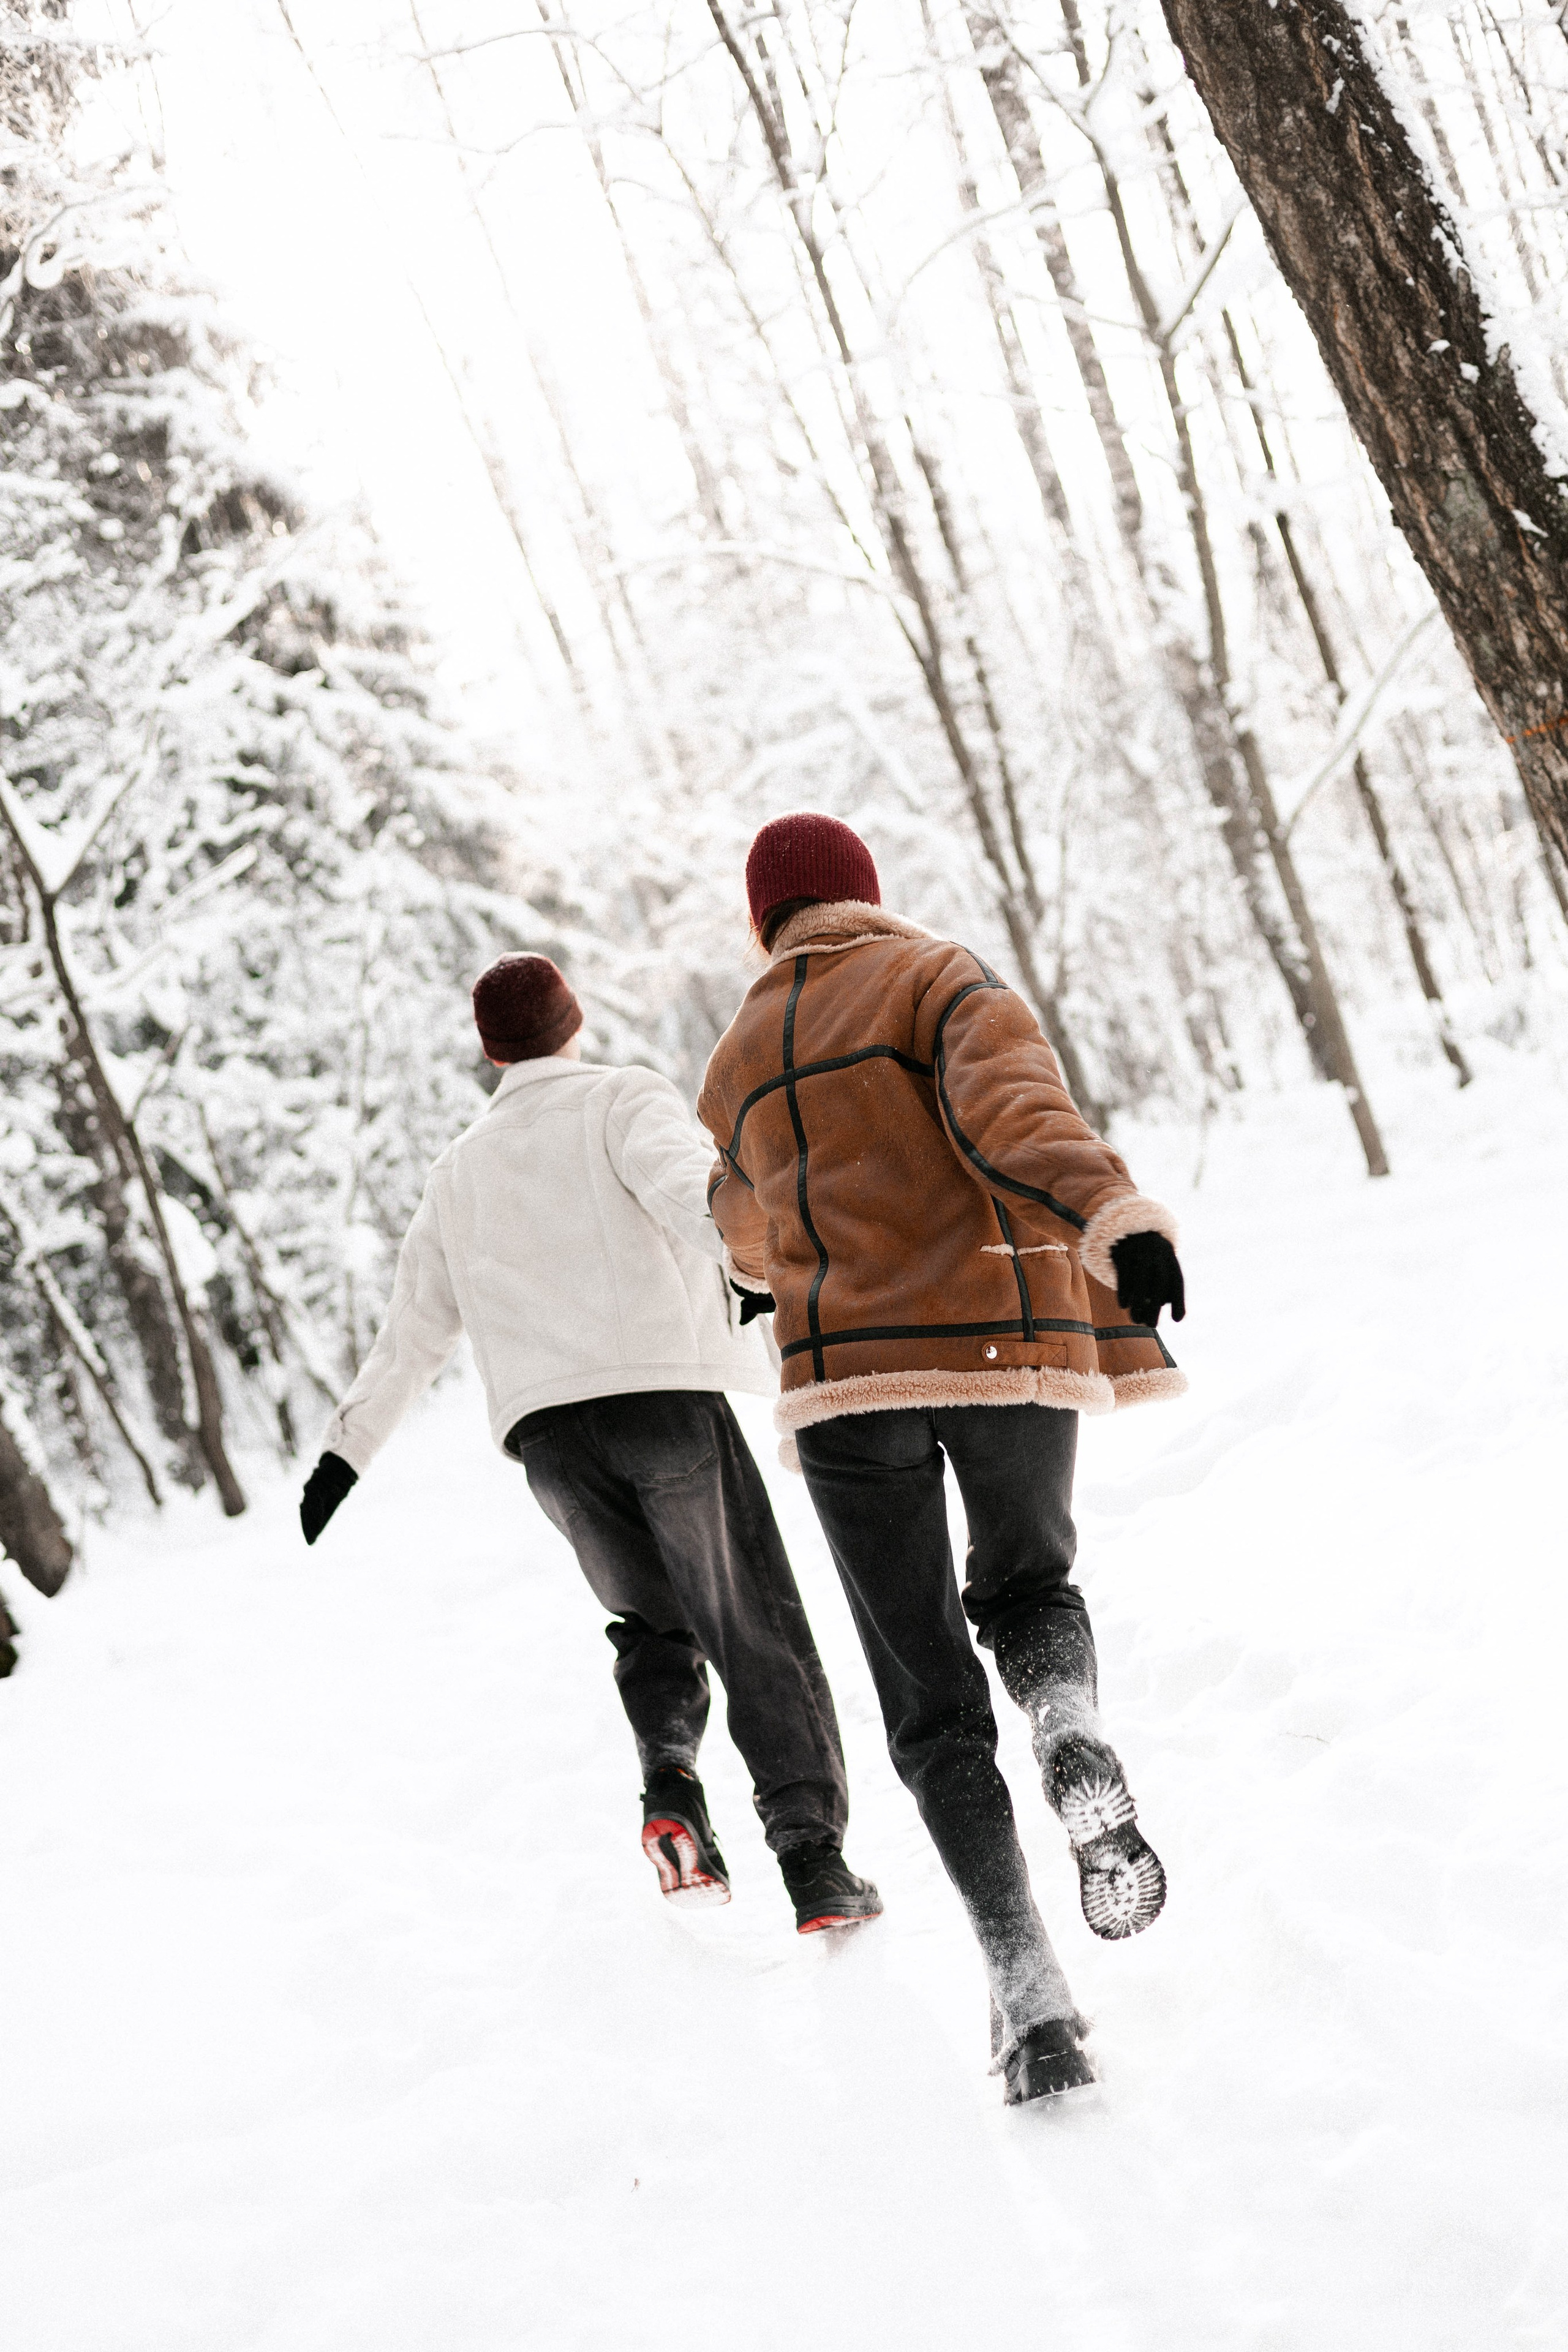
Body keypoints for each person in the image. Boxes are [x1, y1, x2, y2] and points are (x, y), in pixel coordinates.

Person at [698, 814, 1188, 2105]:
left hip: (845, 1385)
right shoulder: (936, 975)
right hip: (995, 1343)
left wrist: (769, 1261)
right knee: (1026, 1590)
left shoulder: (735, 1055)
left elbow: (739, 1229)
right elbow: (1012, 1111)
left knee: (923, 1698)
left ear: (762, 923)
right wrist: (1112, 1214)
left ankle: (1028, 1997)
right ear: (866, 895)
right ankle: (1065, 1719)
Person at [298, 951, 881, 1936]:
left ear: (492, 1054)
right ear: (572, 1023)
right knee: (752, 1624)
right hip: (663, 1405)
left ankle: (672, 1792)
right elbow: (691, 1200)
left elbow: (413, 1334)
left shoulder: (456, 1173)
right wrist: (783, 1281)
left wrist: (341, 1457)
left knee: (653, 1627)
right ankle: (814, 1862)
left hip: (549, 1439)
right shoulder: (619, 1099)